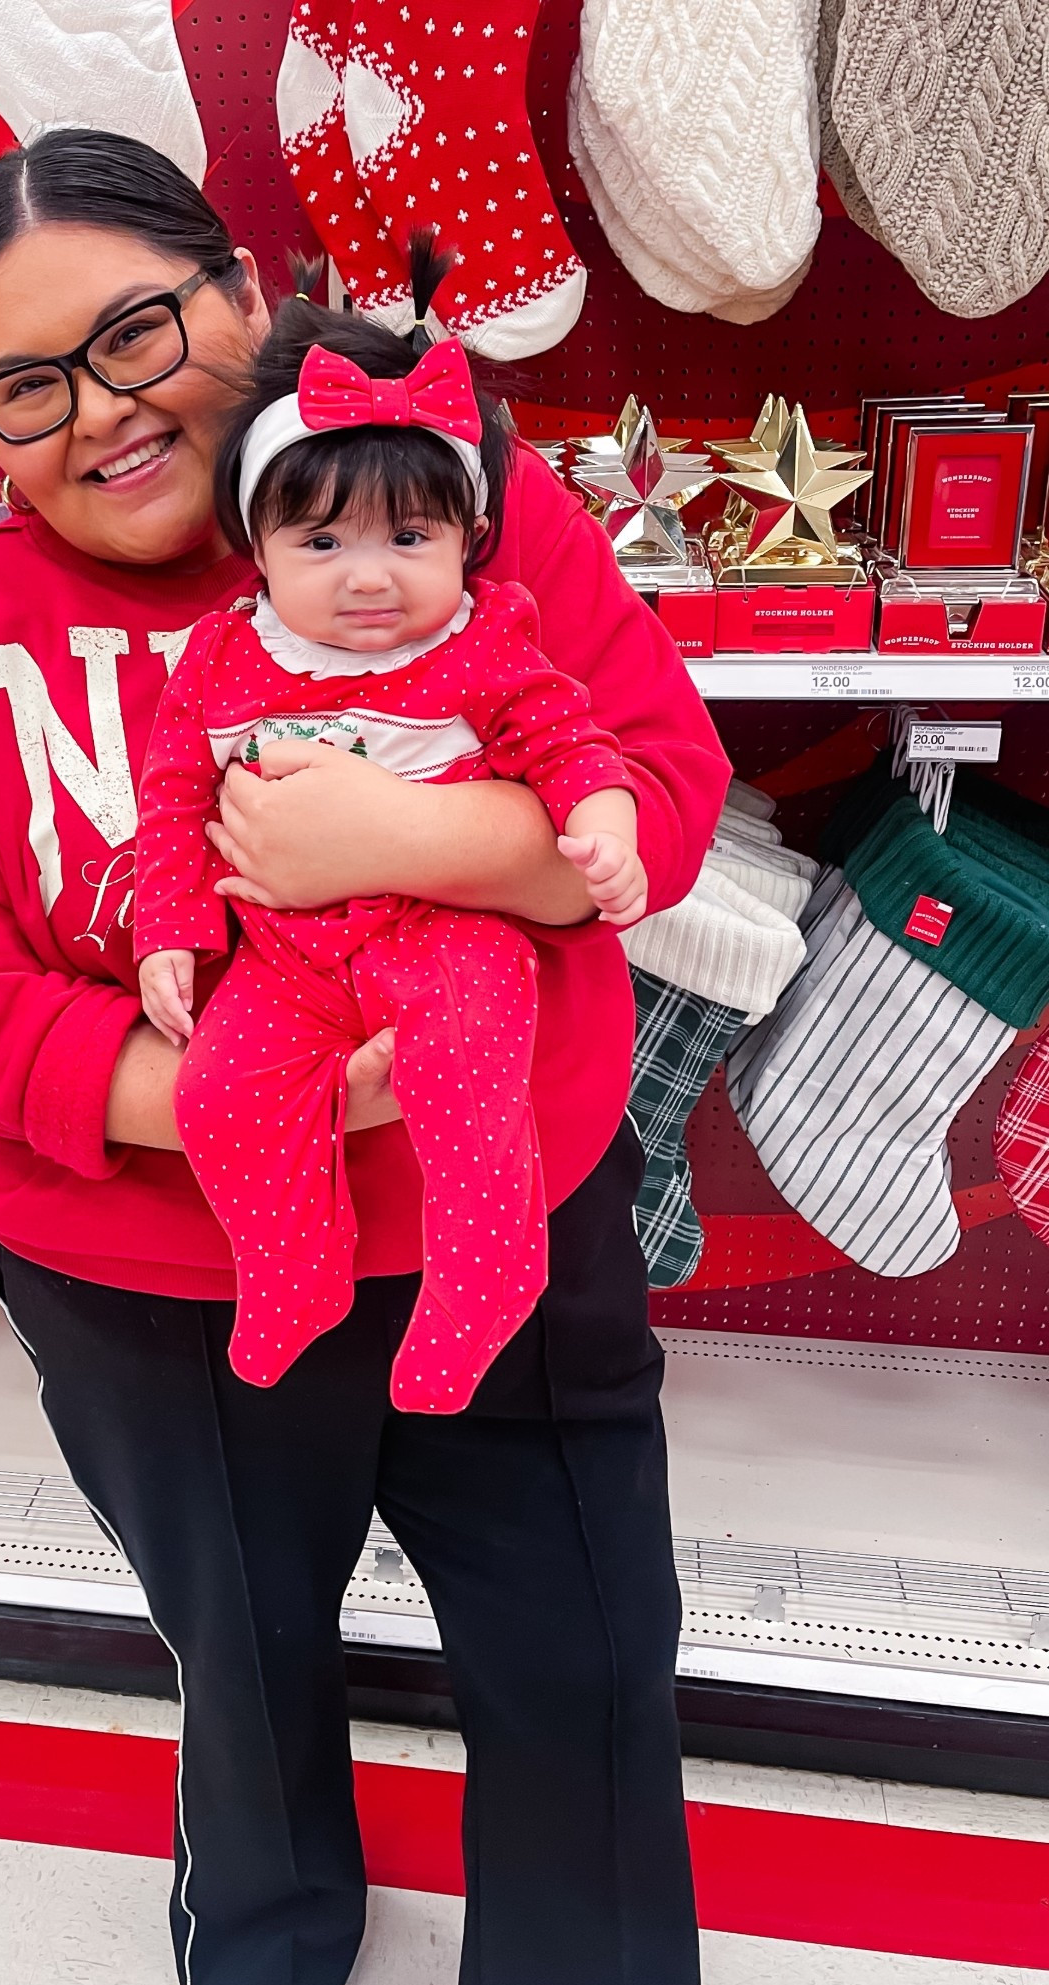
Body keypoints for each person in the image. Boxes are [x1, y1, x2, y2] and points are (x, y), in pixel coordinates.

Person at [0, 127, 731, 1985]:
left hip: (506, 1209)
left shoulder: (444, 501)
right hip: (155, 1280)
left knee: (581, 1647)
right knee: (238, 1648)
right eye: (28, 385)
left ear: (240, 291)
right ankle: (268, 1950)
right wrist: (261, 1102)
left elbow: (653, 781)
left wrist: (397, 837)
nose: (103, 413)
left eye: (137, 330)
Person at [135, 249, 645, 1410]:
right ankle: (290, 1267)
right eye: (322, 544)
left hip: (448, 934)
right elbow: (171, 796)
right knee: (218, 1094)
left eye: (408, 540)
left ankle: (486, 1276)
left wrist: (603, 822)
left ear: (467, 538)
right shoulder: (224, 655)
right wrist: (168, 927)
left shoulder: (481, 638)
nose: (369, 579)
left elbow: (570, 740)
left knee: (469, 1086)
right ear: (254, 545)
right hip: (285, 952)